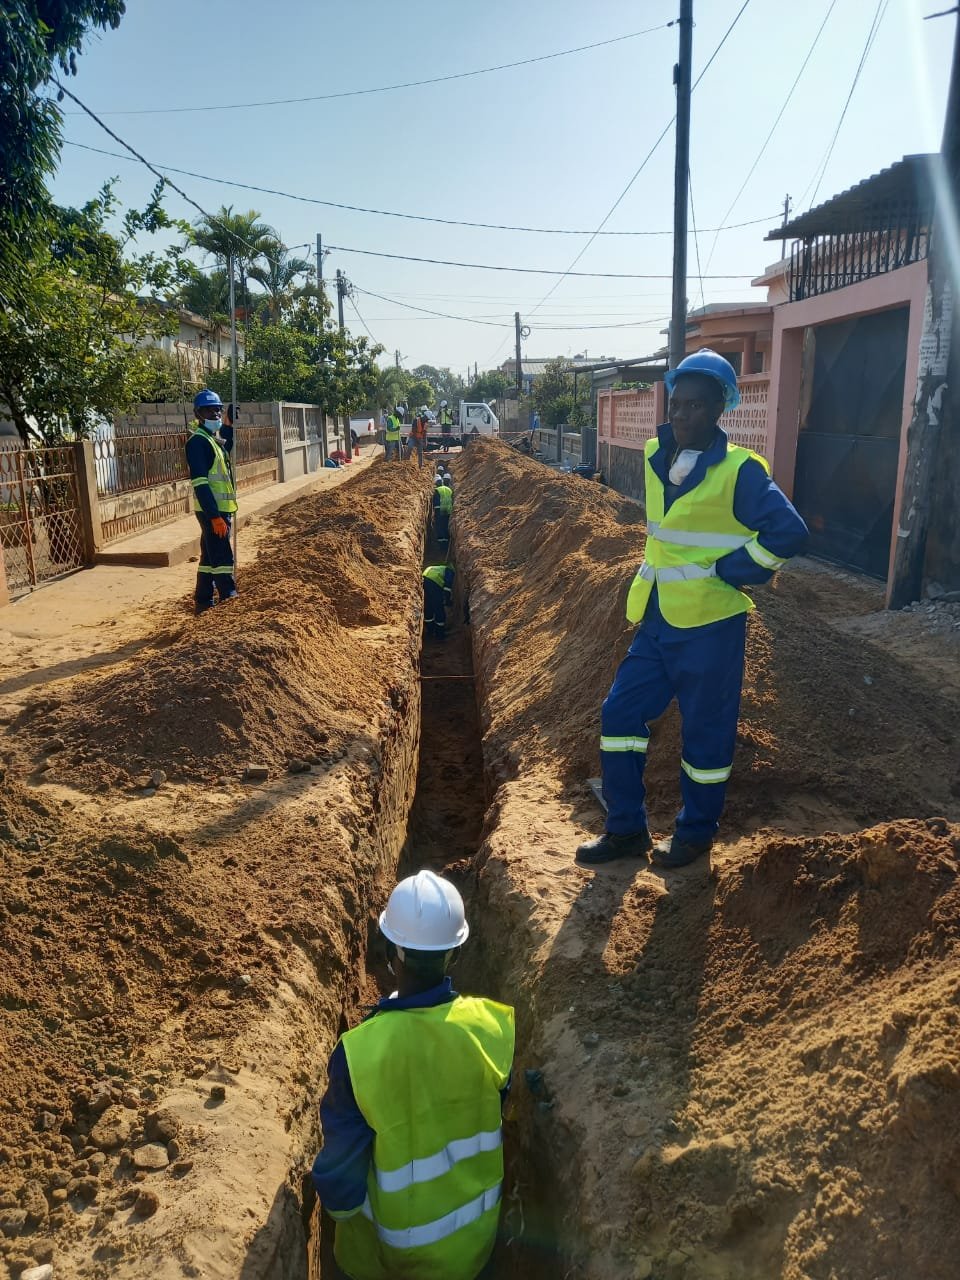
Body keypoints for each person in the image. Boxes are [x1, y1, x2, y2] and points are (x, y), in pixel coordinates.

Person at [576, 349, 809, 870]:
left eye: (695, 407)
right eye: (676, 404)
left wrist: (738, 568)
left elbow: (789, 532)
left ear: (718, 410)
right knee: (619, 715)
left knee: (704, 735)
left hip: (711, 625)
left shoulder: (741, 472)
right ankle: (626, 830)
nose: (680, 415)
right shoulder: (657, 451)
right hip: (658, 617)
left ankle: (696, 834)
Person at [312, 870, 514, 1280]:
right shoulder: (493, 1028)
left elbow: (341, 1185)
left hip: (388, 1261)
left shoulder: (359, 1054)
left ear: (391, 950)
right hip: (473, 1252)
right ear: (455, 953)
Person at [186, 389, 237, 616]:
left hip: (219, 510)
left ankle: (203, 601)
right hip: (212, 511)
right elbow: (201, 484)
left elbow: (225, 448)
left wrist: (229, 424)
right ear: (198, 413)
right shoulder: (197, 442)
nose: (215, 413)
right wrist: (215, 516)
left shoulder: (211, 440)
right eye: (209, 410)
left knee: (209, 557)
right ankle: (229, 599)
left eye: (218, 409)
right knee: (223, 557)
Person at [422, 563, 455, 639]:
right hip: (434, 583)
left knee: (429, 607)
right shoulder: (449, 571)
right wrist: (447, 601)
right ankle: (439, 634)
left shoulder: (434, 568)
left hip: (424, 579)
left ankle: (430, 631)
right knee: (439, 609)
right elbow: (447, 587)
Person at [433, 475, 453, 544]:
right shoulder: (449, 489)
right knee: (445, 525)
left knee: (439, 526)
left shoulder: (437, 490)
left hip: (439, 510)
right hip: (448, 510)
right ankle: (446, 541)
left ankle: (441, 543)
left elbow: (435, 502)